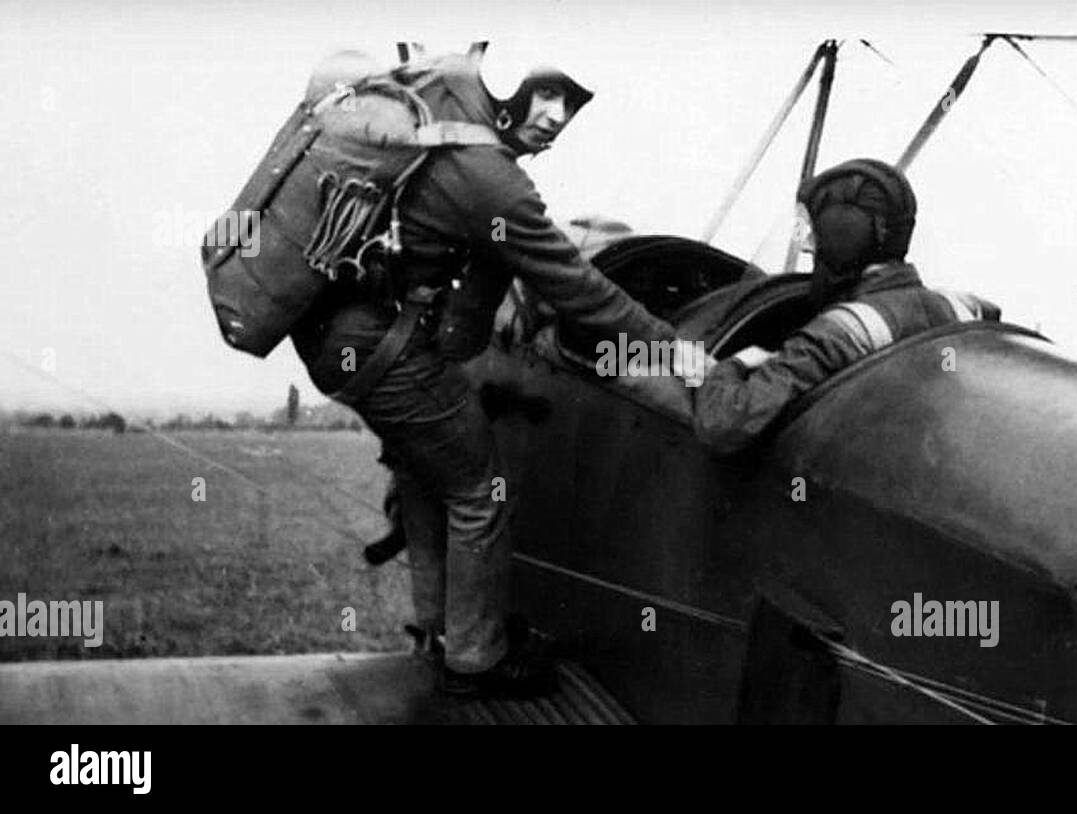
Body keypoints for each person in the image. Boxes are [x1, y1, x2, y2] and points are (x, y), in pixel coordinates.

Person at [291, 44, 704, 696]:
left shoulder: (449, 139)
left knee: (427, 469)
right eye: (549, 93)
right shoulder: (488, 177)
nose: (558, 116)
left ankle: (440, 628)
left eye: (571, 103)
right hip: (379, 347)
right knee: (481, 490)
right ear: (508, 83)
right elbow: (577, 287)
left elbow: (469, 308)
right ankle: (476, 660)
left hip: (338, 338)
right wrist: (676, 349)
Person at [692, 158, 998, 454]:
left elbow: (723, 424)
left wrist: (730, 367)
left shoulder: (838, 333)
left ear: (845, 235)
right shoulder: (965, 311)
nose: (808, 245)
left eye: (818, 231)